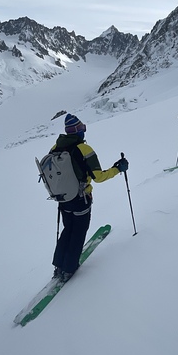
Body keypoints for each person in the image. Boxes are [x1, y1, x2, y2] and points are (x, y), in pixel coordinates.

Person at [50, 113, 128, 282]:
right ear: (78, 131)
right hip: (81, 200)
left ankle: (58, 266)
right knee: (78, 232)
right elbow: (98, 177)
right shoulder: (84, 149)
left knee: (68, 230)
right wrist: (117, 169)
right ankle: (69, 269)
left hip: (63, 200)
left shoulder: (55, 148)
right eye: (82, 128)